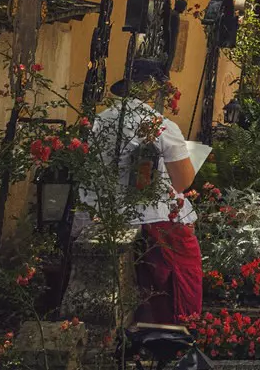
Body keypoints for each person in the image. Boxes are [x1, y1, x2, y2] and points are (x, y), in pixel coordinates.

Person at [88, 58, 202, 324]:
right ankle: (177, 330)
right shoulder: (160, 125)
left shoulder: (100, 121)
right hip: (153, 219)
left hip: (103, 212)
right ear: (151, 87)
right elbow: (182, 181)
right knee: (183, 271)